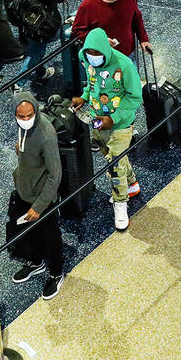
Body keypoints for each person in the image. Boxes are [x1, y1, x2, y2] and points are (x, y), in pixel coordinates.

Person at [70, 28, 143, 231]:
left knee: (114, 163)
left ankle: (121, 204)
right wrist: (83, 98)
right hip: (97, 120)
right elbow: (92, 83)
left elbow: (135, 97)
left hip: (120, 123)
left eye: (96, 53)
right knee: (110, 154)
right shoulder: (85, 59)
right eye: (89, 53)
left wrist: (114, 117)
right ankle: (132, 184)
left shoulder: (124, 65)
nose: (92, 57)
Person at [8, 93, 66, 299]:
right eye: (21, 116)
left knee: (50, 237)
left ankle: (57, 273)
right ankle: (36, 262)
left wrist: (39, 206)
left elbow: (55, 174)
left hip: (42, 198)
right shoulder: (22, 128)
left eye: (29, 115)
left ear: (35, 111)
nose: (25, 120)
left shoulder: (45, 135)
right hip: (25, 190)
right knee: (29, 233)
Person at [71, 0, 151, 57]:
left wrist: (143, 39)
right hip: (104, 56)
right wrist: (100, 40)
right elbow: (77, 31)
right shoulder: (88, 6)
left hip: (128, 53)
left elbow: (137, 19)